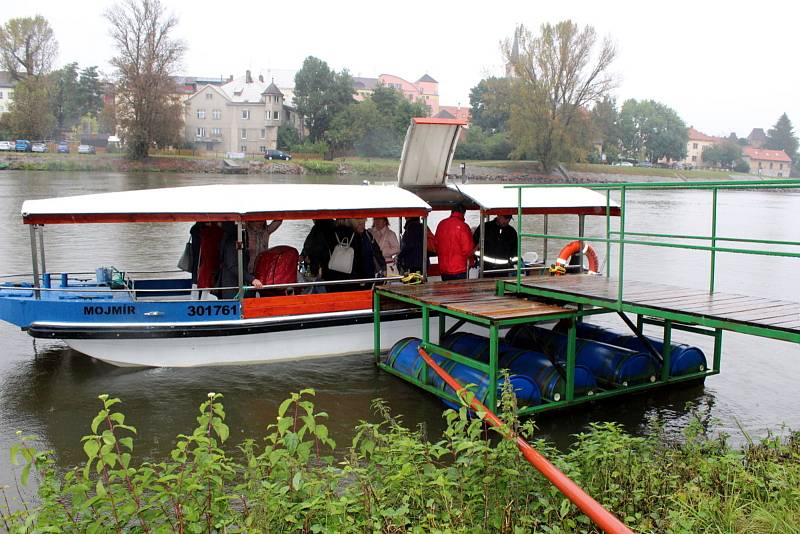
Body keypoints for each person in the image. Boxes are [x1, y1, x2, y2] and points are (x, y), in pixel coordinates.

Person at [216, 221, 263, 299]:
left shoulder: (237, 237)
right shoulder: (232, 240)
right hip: (233, 288)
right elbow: (232, 265)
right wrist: (252, 279)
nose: (245, 224)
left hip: (238, 285)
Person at [434, 203, 475, 281]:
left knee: (446, 291)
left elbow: (436, 244)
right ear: (463, 213)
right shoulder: (464, 226)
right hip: (460, 269)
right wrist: (472, 262)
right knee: (460, 292)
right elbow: (468, 250)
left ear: (452, 211)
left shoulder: (441, 224)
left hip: (444, 268)